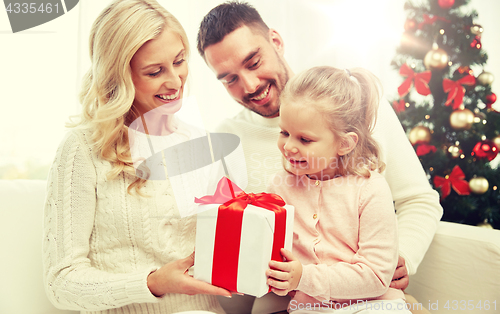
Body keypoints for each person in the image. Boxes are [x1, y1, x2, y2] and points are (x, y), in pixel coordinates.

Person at [197, 2, 441, 313]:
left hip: (369, 296)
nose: (250, 84)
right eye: (229, 79)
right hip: (292, 303)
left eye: (254, 62)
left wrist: (397, 256)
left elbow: (418, 200)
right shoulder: (225, 139)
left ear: (276, 41)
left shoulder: (358, 108)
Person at [42, 1, 230, 313]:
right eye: (155, 71)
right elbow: (61, 283)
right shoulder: (82, 149)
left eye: (180, 61)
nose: (175, 81)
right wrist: (152, 282)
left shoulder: (200, 142)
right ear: (118, 76)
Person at [265, 66, 412, 314]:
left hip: (374, 305)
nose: (288, 147)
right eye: (284, 132)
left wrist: (304, 277)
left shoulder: (370, 189)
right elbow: (272, 258)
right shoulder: (280, 188)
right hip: (309, 307)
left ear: (344, 143)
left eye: (305, 139)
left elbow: (376, 276)